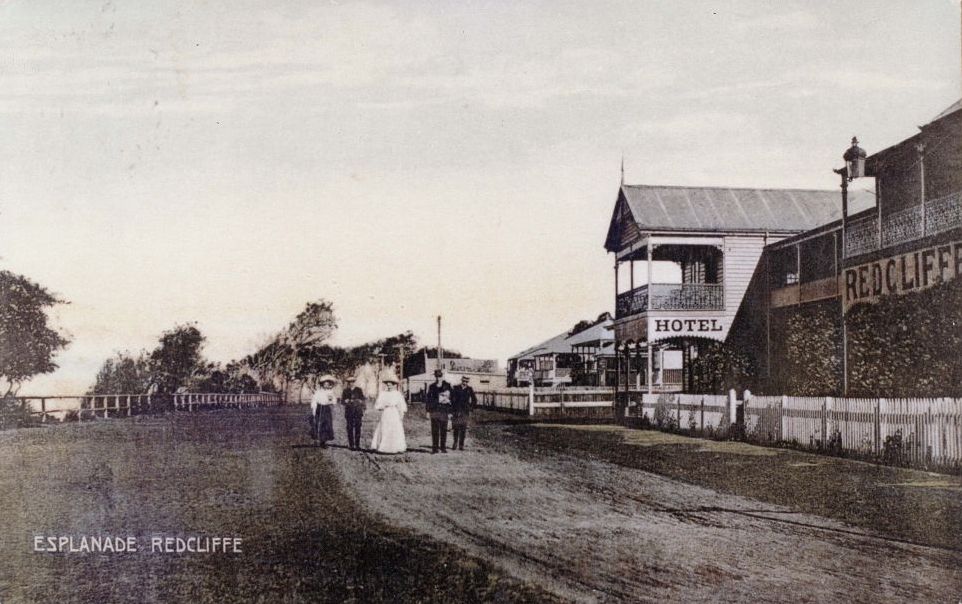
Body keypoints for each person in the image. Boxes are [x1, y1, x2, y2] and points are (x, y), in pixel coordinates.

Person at [371, 370, 407, 454]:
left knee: (395, 429)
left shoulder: (398, 394)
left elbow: (402, 406)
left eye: (391, 383)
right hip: (386, 413)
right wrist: (383, 406)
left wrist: (401, 414)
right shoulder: (383, 394)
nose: (389, 385)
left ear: (394, 385)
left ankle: (396, 447)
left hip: (394, 413)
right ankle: (384, 447)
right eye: (387, 383)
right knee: (385, 428)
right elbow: (378, 405)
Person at [425, 369, 452, 453]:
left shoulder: (447, 385)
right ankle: (435, 448)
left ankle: (443, 447)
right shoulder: (432, 386)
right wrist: (428, 411)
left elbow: (452, 399)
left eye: (439, 376)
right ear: (435, 377)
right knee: (435, 430)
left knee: (443, 429)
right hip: (435, 410)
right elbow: (428, 399)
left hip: (444, 410)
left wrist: (450, 412)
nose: (438, 378)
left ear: (442, 376)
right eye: (436, 376)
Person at [451, 375, 477, 451]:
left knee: (463, 428)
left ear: (467, 382)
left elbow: (474, 400)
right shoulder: (456, 388)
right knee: (456, 428)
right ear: (461, 380)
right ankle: (455, 443)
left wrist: (471, 408)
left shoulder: (469, 389)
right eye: (463, 381)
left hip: (465, 411)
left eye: (466, 381)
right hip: (456, 411)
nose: (464, 383)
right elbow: (452, 398)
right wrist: (453, 408)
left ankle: (461, 445)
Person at [340, 374, 366, 450]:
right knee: (350, 427)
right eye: (349, 382)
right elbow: (342, 401)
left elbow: (363, 400)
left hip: (358, 411)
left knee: (358, 427)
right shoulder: (345, 391)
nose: (351, 383)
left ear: (354, 382)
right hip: (349, 412)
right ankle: (351, 445)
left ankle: (357, 445)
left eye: (352, 381)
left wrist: (359, 402)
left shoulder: (359, 390)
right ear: (348, 383)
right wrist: (346, 401)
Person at [310, 375, 337, 448]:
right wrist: (314, 410)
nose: (326, 385)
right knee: (319, 424)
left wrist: (331, 399)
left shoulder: (330, 392)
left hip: (326, 408)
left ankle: (323, 441)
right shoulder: (318, 392)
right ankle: (317, 439)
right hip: (319, 408)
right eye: (325, 384)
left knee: (327, 425)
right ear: (322, 384)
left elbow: (334, 401)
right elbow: (314, 401)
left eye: (328, 384)